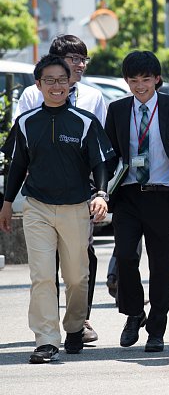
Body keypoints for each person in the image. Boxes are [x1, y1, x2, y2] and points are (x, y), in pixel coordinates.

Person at [0, 54, 114, 363]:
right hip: (37, 206)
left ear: (70, 83)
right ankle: (46, 340)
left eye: (62, 80)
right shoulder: (25, 123)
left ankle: (75, 327)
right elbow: (17, 165)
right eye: (49, 80)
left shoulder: (84, 121)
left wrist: (101, 194)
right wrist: (7, 204)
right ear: (37, 85)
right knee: (42, 276)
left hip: (76, 207)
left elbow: (100, 162)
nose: (56, 86)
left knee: (76, 277)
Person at [104, 51, 169, 353]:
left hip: (163, 195)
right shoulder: (116, 110)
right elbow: (110, 154)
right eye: (133, 80)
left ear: (157, 79)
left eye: (145, 79)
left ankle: (156, 328)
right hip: (128, 195)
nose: (139, 86)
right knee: (126, 256)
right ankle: (133, 312)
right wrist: (103, 191)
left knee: (162, 265)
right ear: (126, 81)